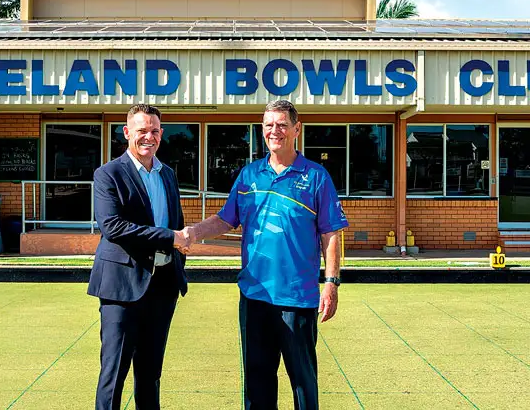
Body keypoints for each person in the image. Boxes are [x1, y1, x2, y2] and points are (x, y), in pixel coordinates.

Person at [183, 99, 348, 409]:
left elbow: (331, 233)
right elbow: (225, 219)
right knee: (257, 381)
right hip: (255, 295)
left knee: (302, 380)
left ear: (296, 129)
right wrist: (193, 232)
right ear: (262, 130)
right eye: (269, 125)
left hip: (297, 298)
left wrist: (331, 283)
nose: (276, 131)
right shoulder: (249, 176)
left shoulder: (316, 176)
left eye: (282, 124)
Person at [87, 103, 191, 410]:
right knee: (114, 373)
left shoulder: (167, 174)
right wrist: (172, 237)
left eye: (155, 131)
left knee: (150, 374)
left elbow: (176, 222)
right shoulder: (108, 174)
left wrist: (179, 248)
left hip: (162, 286)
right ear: (127, 132)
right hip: (122, 287)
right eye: (142, 130)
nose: (149, 137)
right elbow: (113, 227)